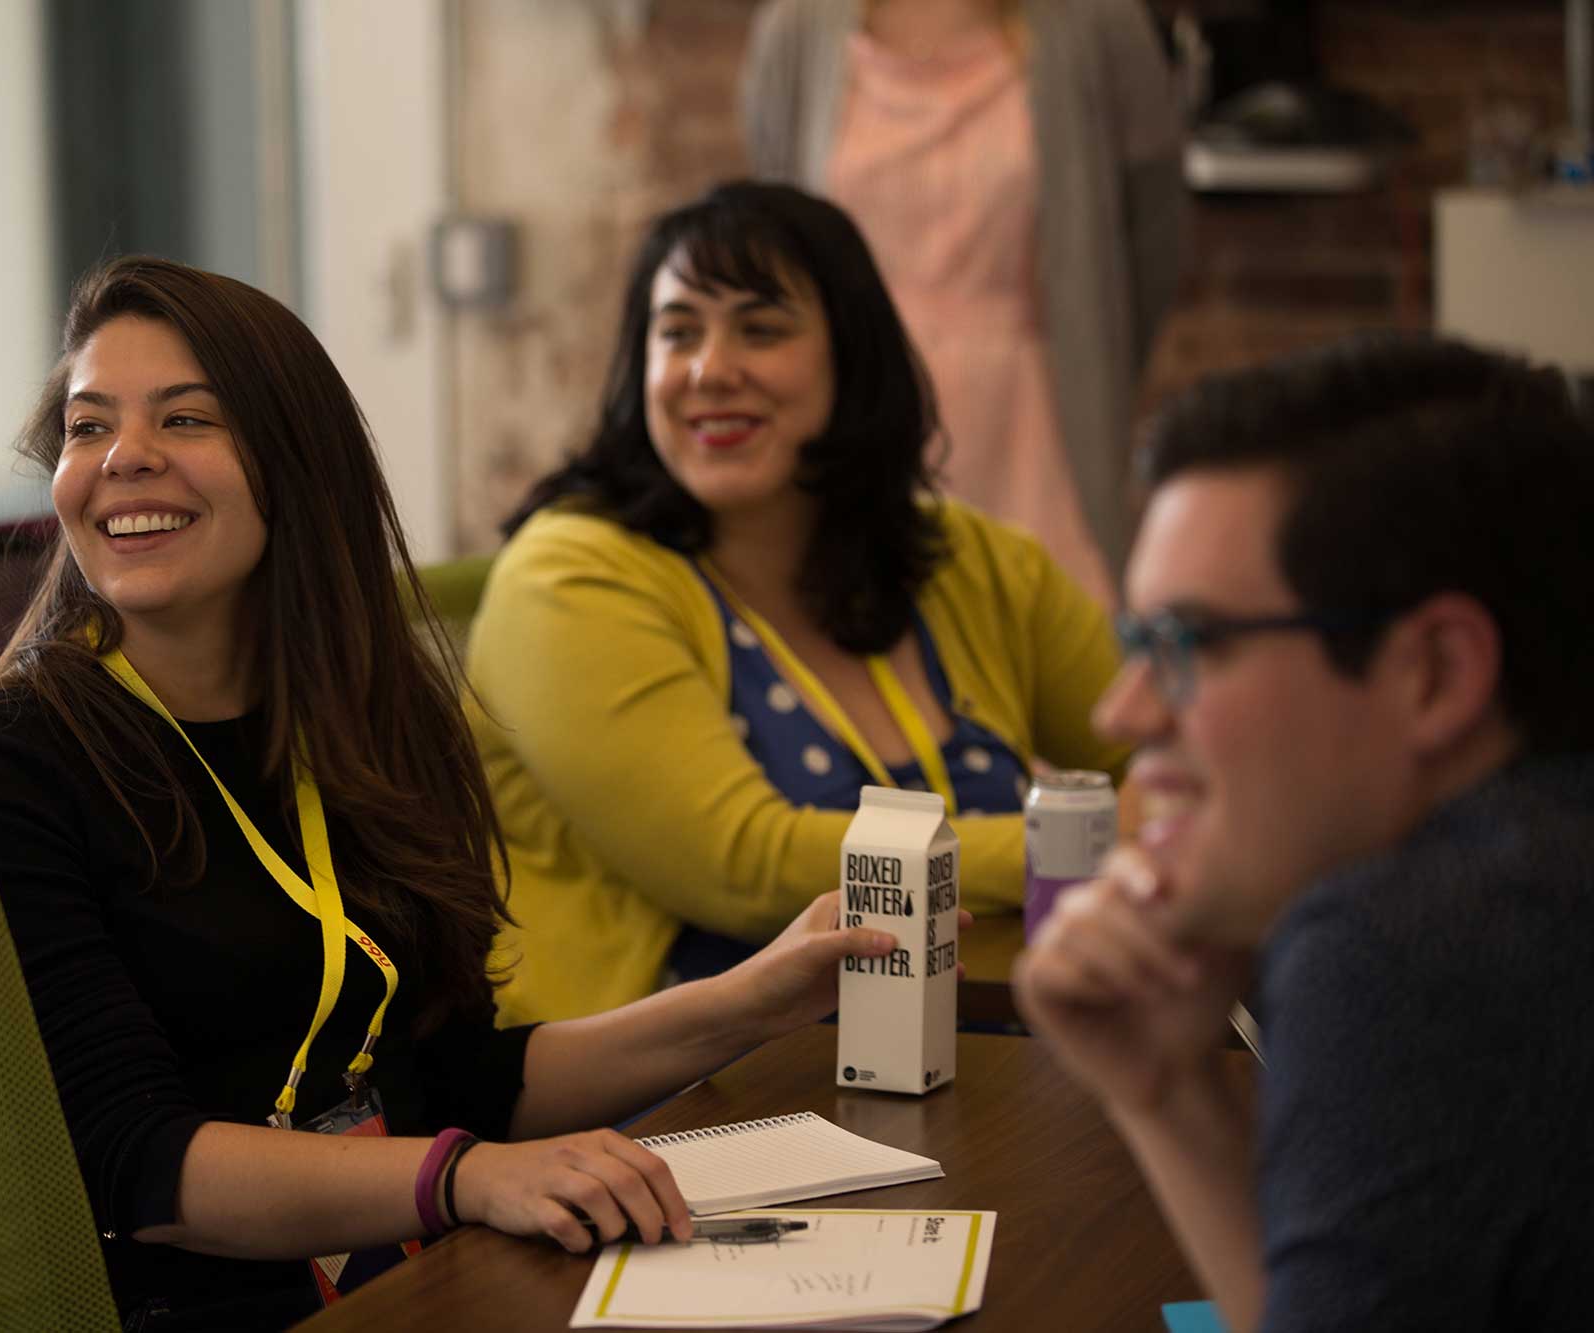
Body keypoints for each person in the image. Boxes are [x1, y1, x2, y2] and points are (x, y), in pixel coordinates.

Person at [0, 255, 904, 1331]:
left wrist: (752, 1000)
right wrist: (464, 1176)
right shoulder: (9, 766)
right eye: (87, 426)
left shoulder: (369, 719)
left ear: (294, 465)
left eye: (186, 421)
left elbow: (452, 1077)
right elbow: (135, 1166)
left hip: (418, 1274)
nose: (124, 460)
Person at [1012, 334, 1594, 1332]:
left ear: (1435, 675)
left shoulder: (1403, 946)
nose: (1123, 710)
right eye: (1135, 642)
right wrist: (1163, 1091)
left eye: (1188, 644)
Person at [469, 181, 1127, 1025]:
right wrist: (1084, 844)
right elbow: (742, 865)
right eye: (677, 333)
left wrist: (1153, 822)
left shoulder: (970, 559)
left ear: (851, 357)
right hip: (671, 1089)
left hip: (975, 1036)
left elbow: (1161, 759)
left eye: (761, 328)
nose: (710, 369)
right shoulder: (564, 579)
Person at [744, 0, 1190, 602]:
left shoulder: (1098, 22)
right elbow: (781, 228)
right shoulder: (798, 30)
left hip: (1035, 427)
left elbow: (1154, 232)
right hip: (856, 420)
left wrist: (1095, 360)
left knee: (1049, 646)